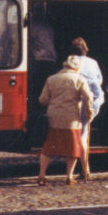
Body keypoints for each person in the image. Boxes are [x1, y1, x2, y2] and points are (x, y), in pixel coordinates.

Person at [37, 57, 93, 186]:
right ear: (77, 67)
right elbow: (88, 97)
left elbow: (43, 99)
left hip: (54, 117)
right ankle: (69, 176)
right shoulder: (80, 79)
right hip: (72, 118)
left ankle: (41, 175)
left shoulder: (51, 79)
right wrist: (88, 113)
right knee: (73, 147)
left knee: (49, 147)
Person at [69, 37, 104, 180]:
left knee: (81, 135)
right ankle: (85, 168)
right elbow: (99, 80)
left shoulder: (71, 61)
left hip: (79, 101)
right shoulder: (93, 62)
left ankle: (84, 169)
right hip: (95, 101)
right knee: (84, 133)